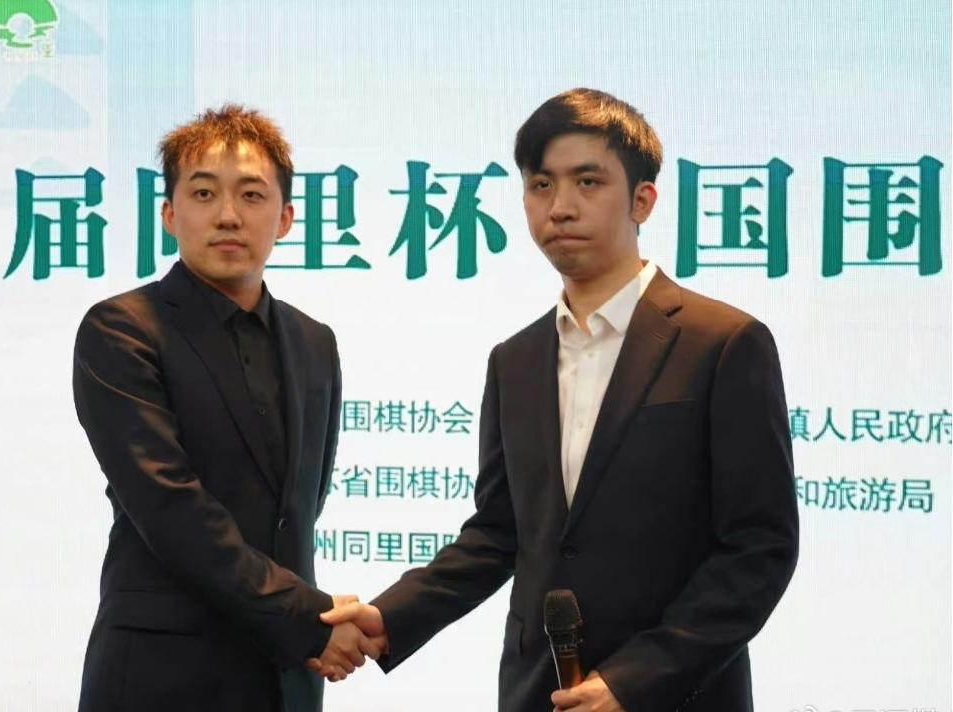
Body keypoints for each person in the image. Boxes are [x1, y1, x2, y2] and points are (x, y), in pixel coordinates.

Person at [311, 88, 800, 712]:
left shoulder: (724, 342)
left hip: (678, 694)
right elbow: (498, 534)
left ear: (643, 200)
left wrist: (635, 680)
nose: (561, 207)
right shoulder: (513, 360)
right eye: (541, 185)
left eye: (588, 182)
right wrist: (391, 617)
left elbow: (760, 546)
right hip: (538, 689)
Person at [73, 105, 380, 712]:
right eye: (204, 193)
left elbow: (299, 509)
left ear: (286, 218)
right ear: (169, 214)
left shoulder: (314, 342)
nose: (229, 215)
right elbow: (170, 508)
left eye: (252, 195)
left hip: (285, 677)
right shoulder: (122, 330)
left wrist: (305, 628)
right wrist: (308, 615)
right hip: (162, 673)